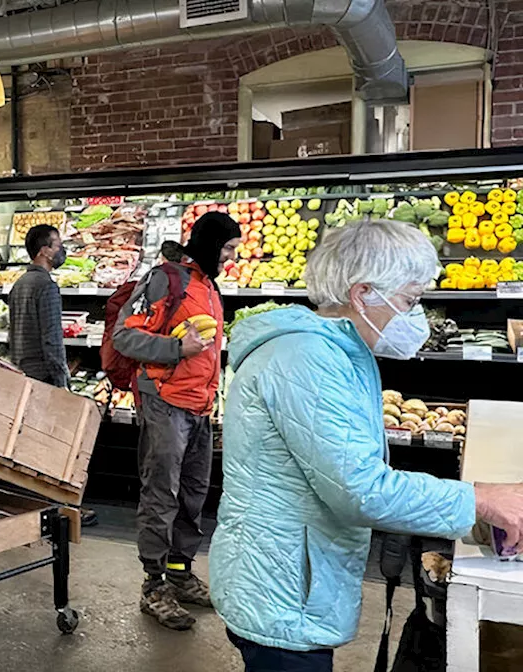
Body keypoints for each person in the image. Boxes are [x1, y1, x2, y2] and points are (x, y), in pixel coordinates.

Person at [211, 219, 523, 671]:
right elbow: (362, 490)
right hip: (281, 589)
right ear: (363, 295)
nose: (414, 315)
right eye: (409, 300)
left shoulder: (333, 352)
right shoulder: (307, 360)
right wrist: (481, 500)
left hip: (294, 575)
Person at [111, 211, 242, 631]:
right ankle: (153, 586)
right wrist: (175, 347)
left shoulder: (209, 286)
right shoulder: (166, 280)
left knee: (194, 494)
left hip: (199, 408)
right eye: (226, 249)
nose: (230, 257)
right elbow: (124, 337)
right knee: (160, 495)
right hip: (165, 404)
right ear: (207, 244)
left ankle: (180, 572)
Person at [9, 224, 69, 388]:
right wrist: (61, 380)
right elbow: (52, 338)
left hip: (21, 371)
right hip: (43, 376)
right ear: (44, 251)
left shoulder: (19, 283)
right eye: (58, 245)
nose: (61, 250)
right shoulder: (46, 286)